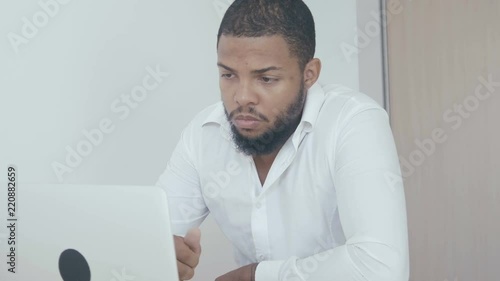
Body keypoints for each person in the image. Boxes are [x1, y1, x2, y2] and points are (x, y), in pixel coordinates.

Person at [156, 0, 410, 280]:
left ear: (309, 74)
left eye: (265, 79)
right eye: (228, 75)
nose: (242, 97)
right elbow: (154, 235)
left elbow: (382, 266)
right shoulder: (204, 133)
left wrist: (256, 275)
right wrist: (158, 258)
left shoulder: (353, 121)